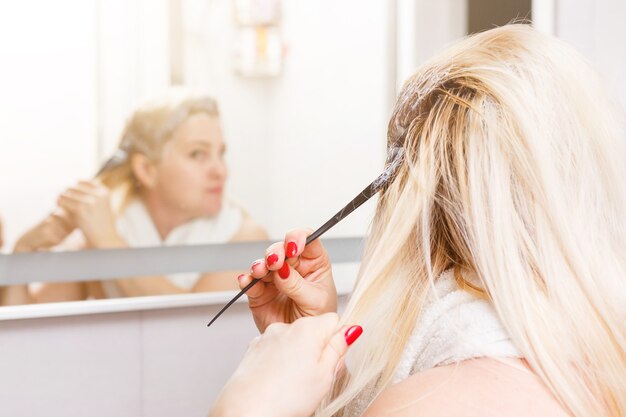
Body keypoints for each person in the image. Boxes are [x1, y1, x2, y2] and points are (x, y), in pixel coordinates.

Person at [209, 25, 626, 417]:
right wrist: (328, 375)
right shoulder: (596, 363)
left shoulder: (424, 403)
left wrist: (251, 400)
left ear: (407, 193)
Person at [5, 90, 268, 304]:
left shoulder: (246, 240)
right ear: (146, 170)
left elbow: (192, 327)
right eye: (198, 154)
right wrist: (22, 253)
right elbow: (22, 338)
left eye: (220, 153)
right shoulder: (102, 234)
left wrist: (109, 244)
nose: (220, 171)